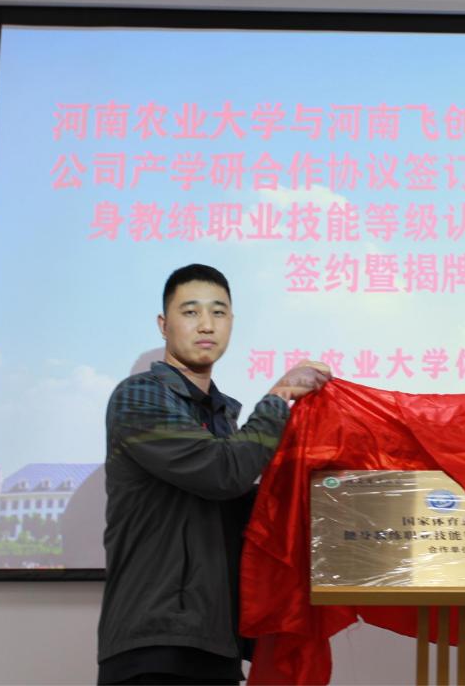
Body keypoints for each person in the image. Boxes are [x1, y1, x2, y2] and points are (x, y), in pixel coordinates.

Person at [97, 264, 330, 685]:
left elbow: (243, 508)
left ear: (232, 323)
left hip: (215, 643)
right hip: (154, 644)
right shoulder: (139, 397)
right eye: (190, 312)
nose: (206, 324)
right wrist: (279, 397)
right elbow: (223, 472)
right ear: (163, 325)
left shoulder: (223, 418)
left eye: (218, 312)